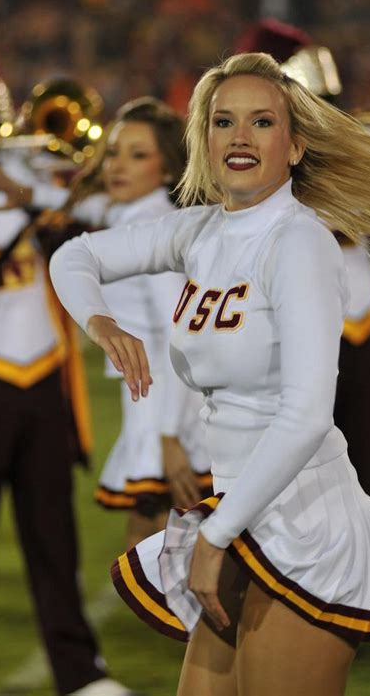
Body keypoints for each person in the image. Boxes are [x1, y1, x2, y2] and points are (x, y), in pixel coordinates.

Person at [50, 52, 370, 696]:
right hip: (237, 513)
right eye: (223, 122)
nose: (240, 138)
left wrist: (214, 537)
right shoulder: (199, 231)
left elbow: (305, 415)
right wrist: (101, 324)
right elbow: (74, 257)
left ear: (296, 146)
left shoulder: (297, 243)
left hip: (304, 523)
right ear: (204, 138)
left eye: (262, 122)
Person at [0, 29, 136, 696]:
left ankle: (79, 672)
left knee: (54, 537)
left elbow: (89, 234)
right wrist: (16, 209)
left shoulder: (35, 186)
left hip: (42, 384)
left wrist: (28, 196)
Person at [236, 19, 370, 676]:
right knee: (285, 483)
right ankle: (286, 611)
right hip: (284, 339)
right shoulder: (251, 155)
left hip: (356, 330)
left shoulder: (354, 147)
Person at [88, 97, 211, 548]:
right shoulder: (134, 218)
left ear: (165, 169)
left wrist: (168, 436)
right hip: (151, 402)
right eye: (114, 152)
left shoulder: (154, 231)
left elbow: (183, 336)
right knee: (164, 559)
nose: (118, 165)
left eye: (138, 155)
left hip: (168, 407)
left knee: (161, 556)